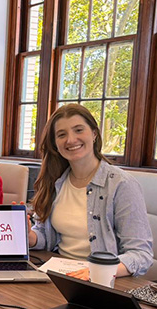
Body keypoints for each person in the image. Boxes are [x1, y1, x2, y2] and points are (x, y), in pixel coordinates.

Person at [29, 104, 152, 279]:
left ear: (94, 134)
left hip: (103, 282)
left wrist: (99, 271)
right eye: (62, 135)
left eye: (78, 130)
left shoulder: (121, 184)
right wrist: (30, 236)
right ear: (55, 144)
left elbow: (140, 255)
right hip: (58, 276)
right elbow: (48, 237)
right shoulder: (55, 182)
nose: (71, 140)